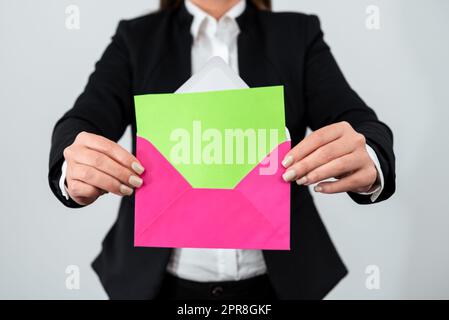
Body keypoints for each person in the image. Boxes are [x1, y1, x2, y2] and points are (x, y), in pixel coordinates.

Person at [48, 0, 395, 299]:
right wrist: (72, 165)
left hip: (279, 283)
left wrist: (371, 158)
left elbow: (362, 124)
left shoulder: (297, 34)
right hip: (157, 285)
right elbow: (80, 122)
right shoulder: (136, 39)